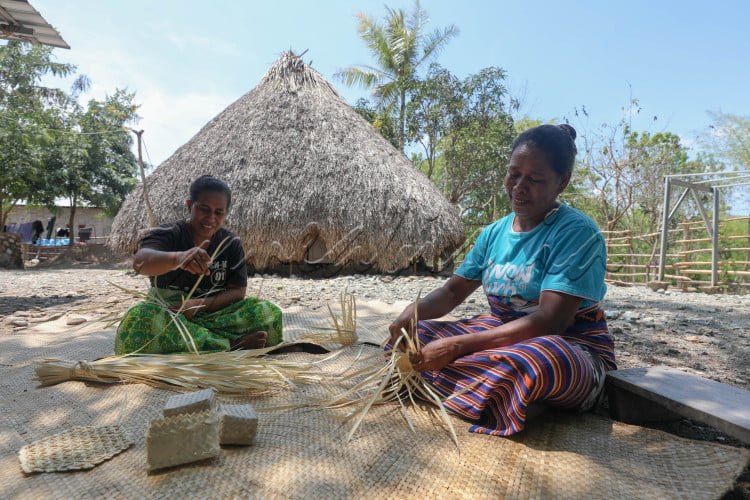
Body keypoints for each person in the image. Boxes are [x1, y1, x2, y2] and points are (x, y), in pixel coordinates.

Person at [389, 124, 616, 437]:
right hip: (499, 337)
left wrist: (457, 346)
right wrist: (410, 315)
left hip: (569, 346)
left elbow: (550, 322)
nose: (520, 186)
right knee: (414, 338)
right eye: (513, 174)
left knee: (534, 360)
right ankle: (503, 399)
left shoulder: (576, 233)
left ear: (562, 182)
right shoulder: (494, 233)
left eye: (535, 179)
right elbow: (452, 292)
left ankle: (465, 387)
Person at [115, 175, 283, 355]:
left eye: (219, 212)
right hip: (171, 314)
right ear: (189, 206)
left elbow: (238, 291)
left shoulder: (231, 242)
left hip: (215, 313)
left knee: (267, 312)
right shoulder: (167, 233)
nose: (211, 218)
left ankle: (200, 345)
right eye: (204, 209)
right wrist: (177, 259)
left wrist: (199, 305)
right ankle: (230, 345)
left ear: (226, 213)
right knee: (140, 318)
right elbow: (140, 263)